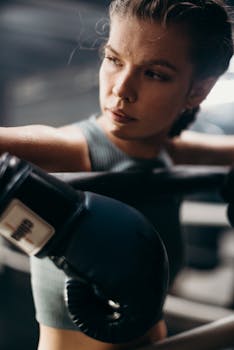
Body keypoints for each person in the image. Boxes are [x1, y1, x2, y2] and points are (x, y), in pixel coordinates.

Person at [0, 0, 233, 349]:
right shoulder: (70, 149)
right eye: (113, 60)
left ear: (198, 90)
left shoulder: (168, 153)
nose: (121, 89)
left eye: (154, 73)